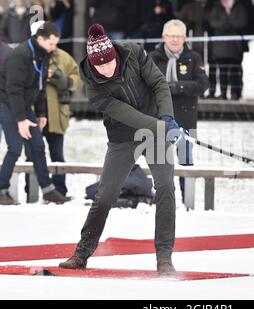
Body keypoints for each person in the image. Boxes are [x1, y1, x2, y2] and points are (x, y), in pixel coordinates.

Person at [58, 23, 186, 275]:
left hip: (157, 126)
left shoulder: (134, 53)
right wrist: (160, 126)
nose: (106, 69)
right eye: (100, 66)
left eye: (109, 63)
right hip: (123, 135)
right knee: (105, 195)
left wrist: (168, 118)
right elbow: (125, 114)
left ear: (115, 55)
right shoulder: (93, 87)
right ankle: (82, 253)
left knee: (165, 188)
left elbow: (159, 84)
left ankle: (164, 258)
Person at [0, 21, 71, 205]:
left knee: (38, 147)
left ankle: (48, 190)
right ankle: (1, 190)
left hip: (24, 104)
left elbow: (40, 86)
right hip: (7, 103)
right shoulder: (20, 55)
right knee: (15, 147)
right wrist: (21, 120)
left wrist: (40, 113)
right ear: (40, 39)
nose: (54, 47)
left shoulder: (43, 54)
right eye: (51, 43)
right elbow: (13, 89)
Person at [150, 19, 209, 203]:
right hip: (159, 119)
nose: (175, 40)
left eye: (178, 36)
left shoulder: (194, 57)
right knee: (160, 163)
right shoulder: (153, 57)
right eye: (171, 36)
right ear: (164, 37)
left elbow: (203, 84)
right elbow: (144, 84)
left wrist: (177, 87)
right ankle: (162, 200)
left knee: (185, 162)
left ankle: (187, 201)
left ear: (184, 38)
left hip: (186, 119)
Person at [25, 20, 82, 198]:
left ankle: (60, 191)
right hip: (34, 114)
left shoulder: (63, 57)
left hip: (57, 114)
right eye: (51, 42)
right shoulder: (29, 56)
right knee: (32, 154)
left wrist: (61, 79)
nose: (53, 46)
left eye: (56, 42)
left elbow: (77, 78)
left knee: (57, 154)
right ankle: (31, 191)